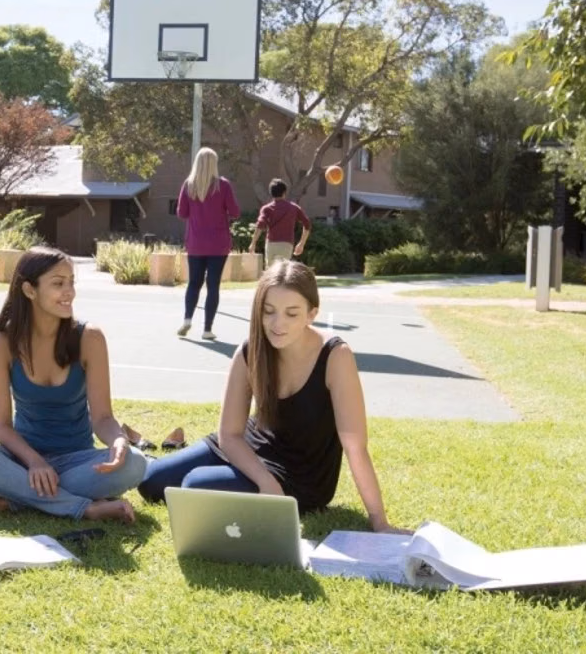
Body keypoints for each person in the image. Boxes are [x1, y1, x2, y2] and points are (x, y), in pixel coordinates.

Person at [138, 260, 409, 533]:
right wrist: (264, 481)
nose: (278, 324)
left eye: (292, 314)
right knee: (151, 480)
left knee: (195, 486)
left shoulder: (335, 356)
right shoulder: (250, 351)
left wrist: (379, 521)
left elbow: (355, 446)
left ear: (311, 314)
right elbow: (229, 435)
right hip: (248, 447)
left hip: (299, 473)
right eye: (269, 311)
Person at [0, 247, 147, 523]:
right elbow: (2, 426)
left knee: (135, 463)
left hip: (78, 462)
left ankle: (13, 499)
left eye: (71, 283)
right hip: (23, 461)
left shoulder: (90, 338)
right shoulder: (0, 344)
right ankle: (82, 507)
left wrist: (118, 440)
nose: (69, 292)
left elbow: (103, 418)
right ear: (29, 290)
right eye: (58, 284)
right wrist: (35, 462)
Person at [176, 147, 240, 341]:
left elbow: (181, 213)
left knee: (193, 283)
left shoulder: (188, 185)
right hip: (218, 244)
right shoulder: (223, 185)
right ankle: (207, 329)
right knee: (213, 285)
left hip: (195, 243)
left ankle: (187, 319)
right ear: (214, 164)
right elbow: (235, 212)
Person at [248, 178, 311, 267]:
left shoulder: (266, 209)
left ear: (271, 193)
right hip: (287, 244)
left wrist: (253, 243)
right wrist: (301, 243)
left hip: (271, 243)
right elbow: (307, 224)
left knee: (271, 271)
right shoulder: (294, 208)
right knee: (283, 271)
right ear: (284, 192)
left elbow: (260, 225)